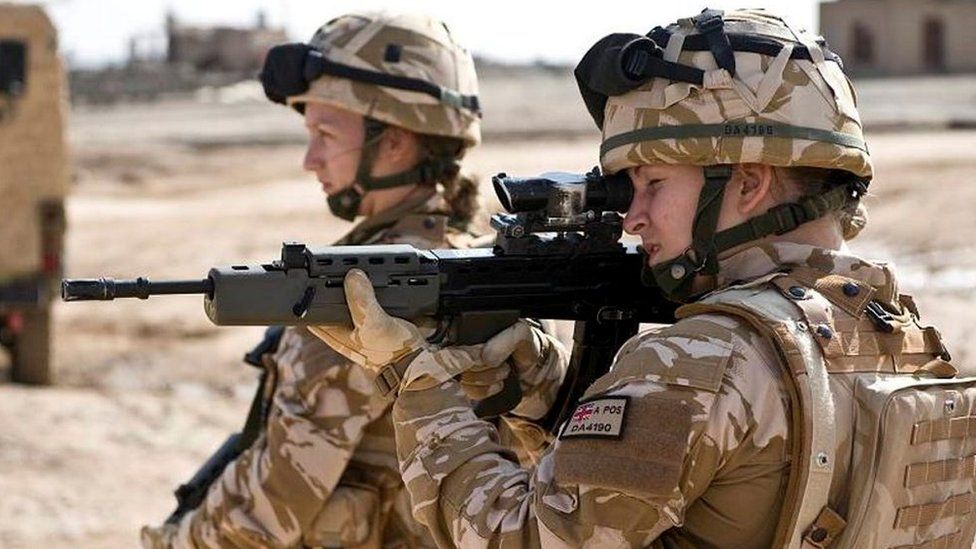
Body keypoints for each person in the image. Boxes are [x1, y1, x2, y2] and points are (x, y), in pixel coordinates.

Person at [310, 8, 976, 548]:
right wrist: (544, 384)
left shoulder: (699, 360)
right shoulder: (904, 335)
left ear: (747, 183)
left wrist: (414, 382)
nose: (632, 217)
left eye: (654, 183)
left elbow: (523, 537)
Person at [141, 11, 566, 548]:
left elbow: (268, 508)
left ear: (394, 142)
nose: (309, 159)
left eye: (324, 133)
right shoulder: (490, 259)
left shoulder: (366, 292)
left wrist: (177, 541)